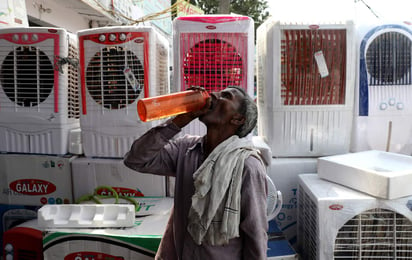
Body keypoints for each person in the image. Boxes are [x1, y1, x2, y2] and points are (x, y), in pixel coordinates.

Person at [123, 86, 268, 259]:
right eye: (218, 92)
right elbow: (135, 159)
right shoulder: (186, 149)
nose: (213, 94)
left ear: (238, 119)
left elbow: (255, 234)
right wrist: (178, 122)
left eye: (225, 96)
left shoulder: (246, 166)